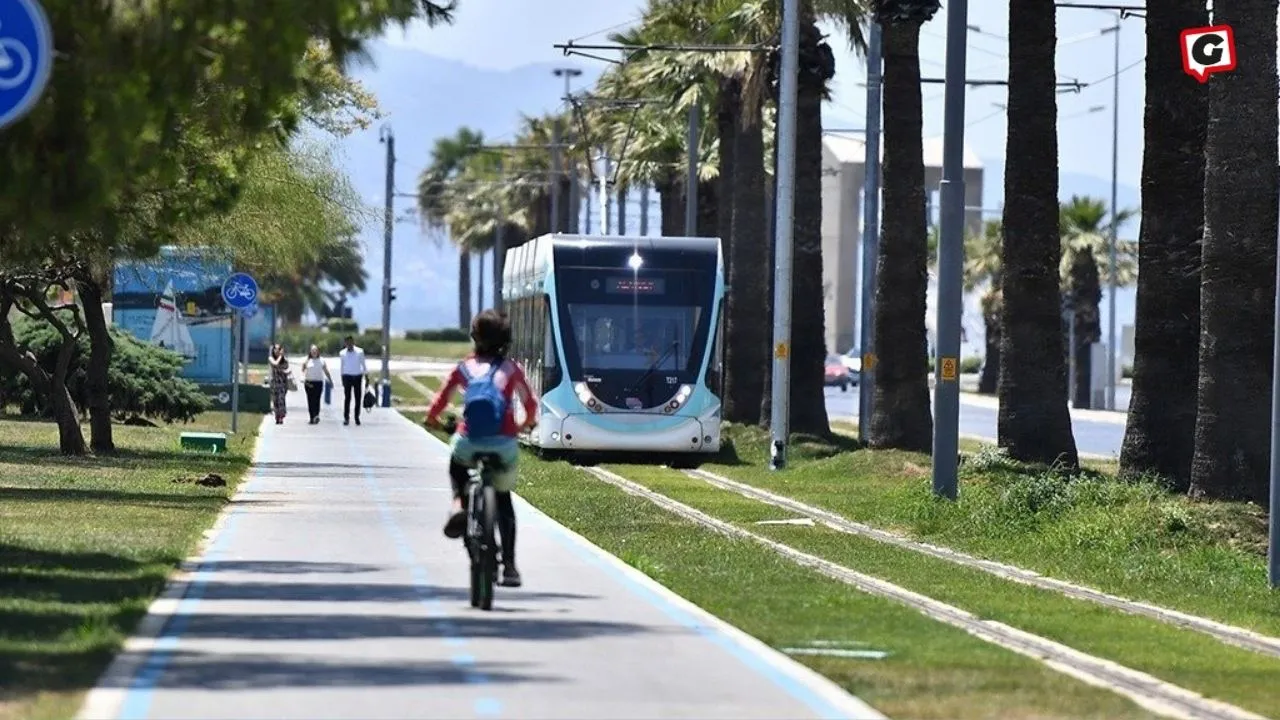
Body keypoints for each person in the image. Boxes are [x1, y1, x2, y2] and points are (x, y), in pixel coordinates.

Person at [425, 310, 538, 588]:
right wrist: (525, 425)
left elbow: (438, 403)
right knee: (503, 501)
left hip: (469, 440)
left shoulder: (464, 368)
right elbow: (531, 404)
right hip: (504, 444)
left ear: (474, 337)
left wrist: (434, 422)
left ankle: (458, 504)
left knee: (457, 466)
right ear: (505, 340)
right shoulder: (511, 369)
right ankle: (510, 567)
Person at [338, 335, 367, 426]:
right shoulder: (342, 353)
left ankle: (357, 417)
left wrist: (366, 376)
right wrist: (342, 376)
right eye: (347, 342)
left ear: (353, 342)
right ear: (345, 343)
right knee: (347, 398)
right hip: (347, 376)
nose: (349, 344)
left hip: (357, 376)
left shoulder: (360, 351)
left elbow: (363, 364)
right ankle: (346, 417)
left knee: (358, 398)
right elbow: (342, 366)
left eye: (351, 342)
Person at [300, 344, 332, 424]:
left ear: (318, 351)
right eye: (312, 350)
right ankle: (311, 417)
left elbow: (326, 371)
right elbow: (303, 370)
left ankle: (316, 415)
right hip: (309, 383)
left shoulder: (322, 360)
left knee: (317, 399)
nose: (314, 352)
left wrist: (330, 380)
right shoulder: (306, 360)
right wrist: (302, 377)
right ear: (310, 352)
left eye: (315, 350)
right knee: (310, 400)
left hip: (318, 383)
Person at [267, 344, 290, 424]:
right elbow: (275, 364)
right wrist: (281, 356)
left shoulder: (285, 360)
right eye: (275, 349)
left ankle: (281, 417)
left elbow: (286, 368)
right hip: (274, 383)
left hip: (282, 383)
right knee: (275, 400)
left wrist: (285, 371)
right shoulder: (271, 358)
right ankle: (277, 416)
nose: (276, 351)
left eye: (278, 349)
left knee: (281, 400)